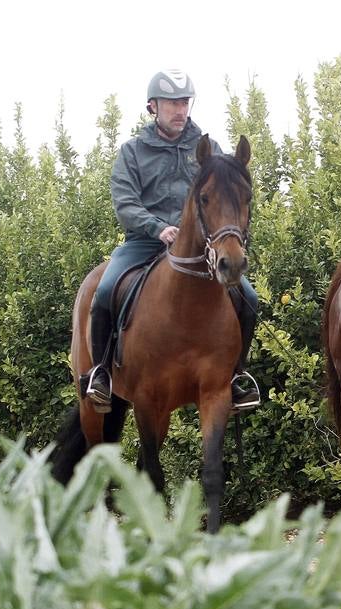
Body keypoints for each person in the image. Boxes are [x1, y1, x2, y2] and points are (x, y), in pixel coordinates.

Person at [85, 68, 259, 413]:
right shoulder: (133, 151)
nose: (180, 110)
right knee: (104, 292)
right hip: (145, 242)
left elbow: (225, 199)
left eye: (184, 102)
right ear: (153, 107)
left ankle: (236, 374)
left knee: (249, 297)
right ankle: (101, 371)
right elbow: (125, 203)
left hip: (197, 249)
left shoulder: (209, 150)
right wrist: (157, 227)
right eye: (172, 104)